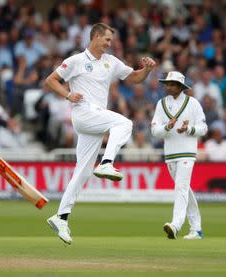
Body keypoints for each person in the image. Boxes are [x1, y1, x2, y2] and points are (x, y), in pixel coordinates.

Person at [44, 23, 156, 245]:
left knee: (83, 172)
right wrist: (67, 95)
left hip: (95, 120)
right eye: (106, 39)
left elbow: (133, 78)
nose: (109, 44)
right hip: (84, 114)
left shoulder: (111, 61)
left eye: (110, 41)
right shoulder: (76, 60)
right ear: (95, 37)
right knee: (124, 123)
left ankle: (61, 217)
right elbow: (51, 80)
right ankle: (107, 162)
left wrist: (148, 70)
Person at [151, 71, 208, 240]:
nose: (169, 87)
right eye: (167, 84)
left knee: (180, 188)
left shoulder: (193, 104)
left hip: (187, 153)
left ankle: (175, 225)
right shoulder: (161, 104)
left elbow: (203, 128)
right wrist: (167, 127)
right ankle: (196, 229)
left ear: (181, 87)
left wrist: (189, 129)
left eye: (173, 84)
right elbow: (155, 131)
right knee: (185, 190)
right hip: (170, 154)